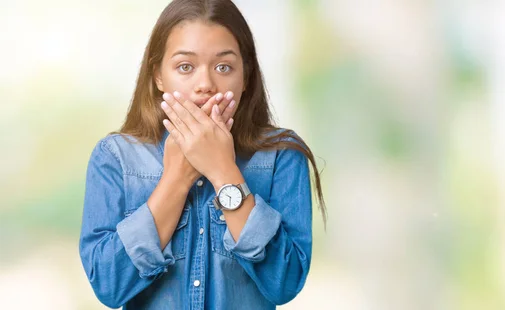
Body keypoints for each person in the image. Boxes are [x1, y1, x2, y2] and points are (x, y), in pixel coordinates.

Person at [78, 0, 326, 309]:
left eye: (224, 67)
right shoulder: (114, 158)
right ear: (158, 76)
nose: (205, 85)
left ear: (245, 76)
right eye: (185, 67)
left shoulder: (282, 157)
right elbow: (107, 286)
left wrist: (224, 172)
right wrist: (176, 180)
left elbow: (284, 283)